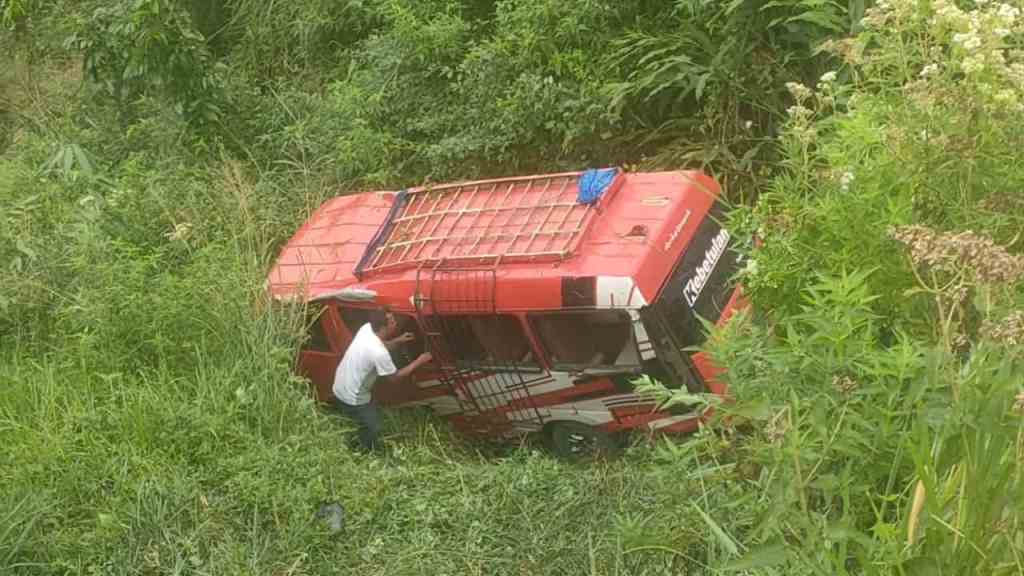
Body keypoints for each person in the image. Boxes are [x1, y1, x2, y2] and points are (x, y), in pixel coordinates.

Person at [332, 308, 432, 452]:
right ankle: (364, 452)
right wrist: (419, 361)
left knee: (354, 421)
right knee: (373, 427)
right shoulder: (379, 353)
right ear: (384, 327)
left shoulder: (366, 329)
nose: (395, 323)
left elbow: (382, 344)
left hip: (339, 386)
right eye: (392, 321)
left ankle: (354, 436)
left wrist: (398, 340)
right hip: (353, 398)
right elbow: (395, 377)